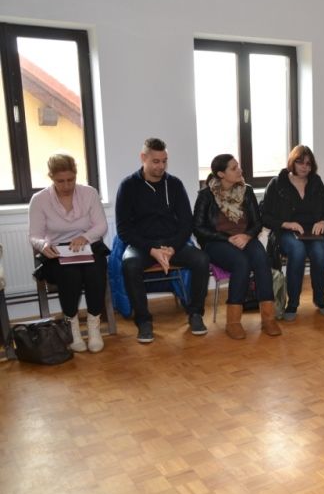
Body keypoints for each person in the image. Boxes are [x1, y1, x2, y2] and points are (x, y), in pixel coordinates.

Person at [115, 137, 210, 344]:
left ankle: (195, 313)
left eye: (164, 161)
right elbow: (124, 230)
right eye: (156, 161)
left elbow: (187, 223)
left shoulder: (174, 184)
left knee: (201, 259)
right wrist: (151, 249)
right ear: (143, 158)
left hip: (172, 243)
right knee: (129, 264)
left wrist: (172, 248)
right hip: (142, 245)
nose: (161, 166)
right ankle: (143, 321)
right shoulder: (128, 186)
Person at [193, 154, 280, 339]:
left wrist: (247, 236)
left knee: (262, 259)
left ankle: (268, 318)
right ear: (221, 174)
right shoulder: (206, 195)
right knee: (241, 263)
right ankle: (233, 322)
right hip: (217, 242)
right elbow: (199, 228)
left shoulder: (246, 191)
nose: (239, 170)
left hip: (245, 238)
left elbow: (257, 222)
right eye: (234, 168)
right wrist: (227, 238)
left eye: (238, 166)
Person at [28, 153, 109, 353]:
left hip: (88, 245)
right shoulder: (39, 200)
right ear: (51, 177)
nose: (66, 185)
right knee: (70, 274)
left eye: (70, 180)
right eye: (60, 181)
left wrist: (86, 237)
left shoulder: (89, 193)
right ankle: (72, 328)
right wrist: (43, 245)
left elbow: (101, 226)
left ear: (76, 175)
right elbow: (35, 235)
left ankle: (94, 326)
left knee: (95, 271)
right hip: (57, 252)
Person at [259, 145, 324, 321]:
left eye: (308, 164)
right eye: (300, 162)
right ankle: (293, 302)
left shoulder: (316, 182)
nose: (304, 167)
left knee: (320, 253)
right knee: (298, 250)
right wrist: (286, 224)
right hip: (286, 232)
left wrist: (323, 222)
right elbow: (263, 216)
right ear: (292, 162)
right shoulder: (277, 183)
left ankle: (320, 298)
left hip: (312, 232)